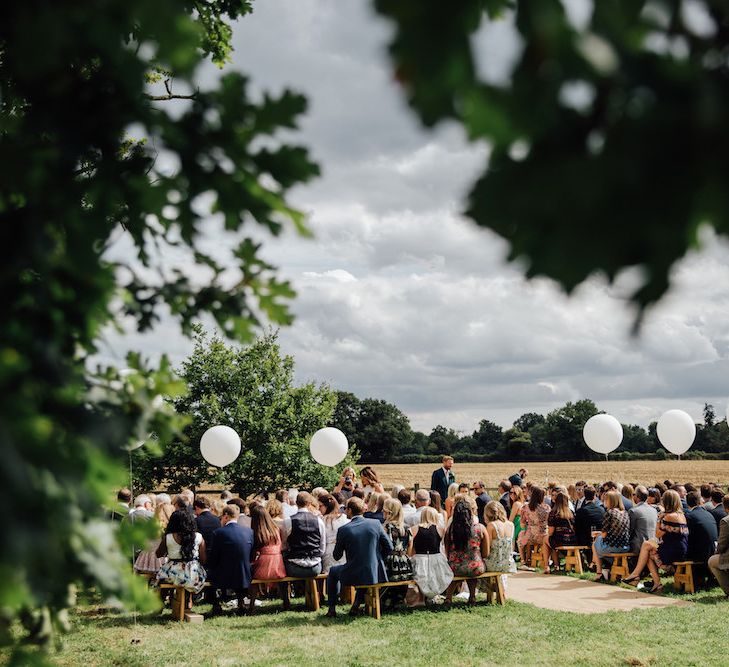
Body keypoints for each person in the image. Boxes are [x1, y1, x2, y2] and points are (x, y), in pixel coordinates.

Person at [325, 497, 393, 617]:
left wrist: (339, 543)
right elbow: (389, 547)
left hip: (353, 572)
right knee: (364, 569)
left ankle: (331, 608)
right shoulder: (376, 524)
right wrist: (377, 559)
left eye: (346, 509)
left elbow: (336, 556)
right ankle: (356, 604)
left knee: (333, 571)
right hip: (374, 571)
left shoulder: (343, 530)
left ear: (350, 510)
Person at [624, 489, 688, 593]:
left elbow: (657, 534)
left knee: (646, 545)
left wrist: (659, 518)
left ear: (666, 502)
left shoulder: (669, 516)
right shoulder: (681, 515)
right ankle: (653, 582)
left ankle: (636, 576)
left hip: (673, 551)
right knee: (648, 550)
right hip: (679, 549)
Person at [206, 505, 253, 617]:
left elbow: (214, 556)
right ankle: (241, 603)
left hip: (223, 573)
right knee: (238, 568)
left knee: (209, 573)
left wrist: (209, 566)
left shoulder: (218, 533)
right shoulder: (249, 531)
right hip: (244, 572)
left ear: (226, 516)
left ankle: (216, 604)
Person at [154, 498, 207, 598]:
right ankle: (188, 601)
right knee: (190, 576)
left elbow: (158, 554)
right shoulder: (199, 537)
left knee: (163, 577)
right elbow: (203, 559)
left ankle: (161, 601)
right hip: (192, 573)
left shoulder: (168, 537)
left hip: (173, 572)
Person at [444, 498, 488, 605]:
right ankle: (472, 596)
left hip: (455, 567)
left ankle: (448, 597)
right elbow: (486, 552)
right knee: (471, 567)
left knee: (459, 568)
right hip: (475, 567)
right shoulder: (480, 528)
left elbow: (447, 551)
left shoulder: (450, 529)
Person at [408, 507, 453, 602]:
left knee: (421, 576)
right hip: (436, 557)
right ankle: (432, 596)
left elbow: (411, 549)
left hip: (420, 557)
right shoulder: (441, 529)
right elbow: (443, 545)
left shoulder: (414, 529)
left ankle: (421, 599)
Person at [281, 491, 326, 578]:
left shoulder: (288, 521)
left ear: (296, 503)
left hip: (294, 566)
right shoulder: (319, 521)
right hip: (315, 567)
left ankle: (285, 591)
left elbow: (284, 544)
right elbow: (322, 547)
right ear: (309, 503)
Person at [591, 491, 630, 580]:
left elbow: (604, 535)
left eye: (606, 499)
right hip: (625, 546)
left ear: (611, 501)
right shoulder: (625, 513)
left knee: (594, 544)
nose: (604, 501)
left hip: (613, 546)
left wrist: (599, 534)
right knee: (599, 539)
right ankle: (605, 568)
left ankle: (599, 571)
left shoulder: (609, 513)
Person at [544, 491, 576, 574]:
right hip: (572, 539)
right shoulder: (571, 513)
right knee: (552, 541)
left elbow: (550, 532)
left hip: (560, 540)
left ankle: (548, 565)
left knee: (546, 539)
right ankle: (556, 565)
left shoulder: (553, 513)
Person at [382, 498, 413, 583]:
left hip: (389, 563)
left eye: (384, 509)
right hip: (404, 562)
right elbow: (410, 545)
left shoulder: (385, 528)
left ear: (389, 512)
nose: (382, 511)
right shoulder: (407, 527)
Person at [685, 491, 718, 569]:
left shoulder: (690, 516)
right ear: (699, 501)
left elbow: (688, 537)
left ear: (687, 503)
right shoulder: (708, 514)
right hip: (712, 551)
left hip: (700, 554)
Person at [518, 485, 550, 567]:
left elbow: (522, 524)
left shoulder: (526, 507)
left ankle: (523, 560)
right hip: (544, 536)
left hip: (531, 536)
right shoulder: (547, 508)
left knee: (521, 534)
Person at [484, 500, 516, 574]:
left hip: (494, 564)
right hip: (508, 564)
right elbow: (512, 546)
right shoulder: (511, 525)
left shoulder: (491, 525)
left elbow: (487, 549)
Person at [320, 493, 350, 573]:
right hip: (342, 551)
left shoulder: (321, 520)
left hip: (329, 551)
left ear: (326, 506)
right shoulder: (345, 519)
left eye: (320, 506)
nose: (319, 509)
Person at [708, 494, 729, 597]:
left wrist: (717, 552)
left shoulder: (725, 521)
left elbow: (722, 544)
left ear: (725, 508)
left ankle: (728, 589)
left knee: (712, 561)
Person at [628, 486, 658, 555]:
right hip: (653, 544)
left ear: (637, 496)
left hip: (638, 546)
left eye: (633, 494)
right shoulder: (654, 510)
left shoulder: (633, 511)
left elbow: (630, 531)